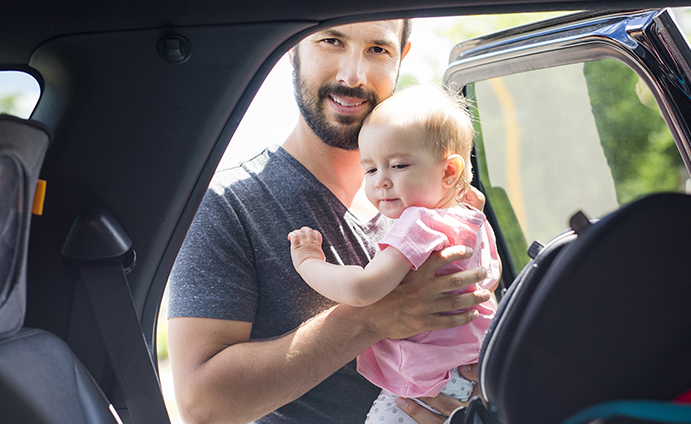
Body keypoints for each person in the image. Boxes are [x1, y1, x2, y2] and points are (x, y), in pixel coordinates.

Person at [167, 20, 492, 424]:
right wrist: (372, 317)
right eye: (332, 41)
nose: (353, 76)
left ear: (400, 57)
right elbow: (202, 405)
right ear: (291, 48)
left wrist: (477, 394)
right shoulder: (226, 205)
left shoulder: (441, 199)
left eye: (378, 49)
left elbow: (478, 317)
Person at [287, 85, 500, 424]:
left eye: (398, 165)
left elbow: (362, 289)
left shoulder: (418, 222)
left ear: (448, 171)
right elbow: (492, 276)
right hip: (478, 369)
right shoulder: (473, 218)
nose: (381, 182)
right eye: (370, 170)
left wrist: (308, 262)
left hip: (429, 382)